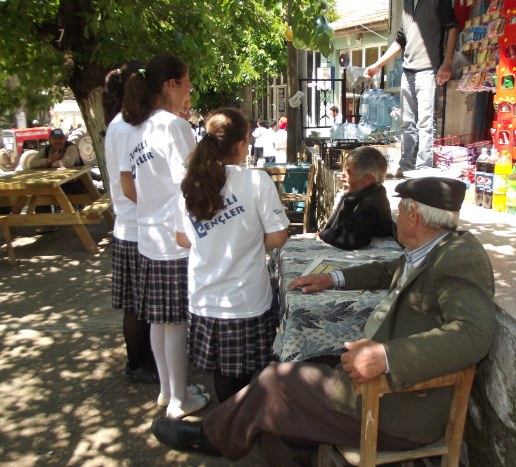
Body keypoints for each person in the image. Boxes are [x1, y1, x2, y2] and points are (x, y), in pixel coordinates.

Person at [151, 176, 496, 467]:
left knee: (276, 380)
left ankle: (211, 436)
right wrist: (334, 279)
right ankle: (224, 432)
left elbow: (474, 334)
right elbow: (390, 269)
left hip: (400, 407)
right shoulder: (430, 248)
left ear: (415, 215)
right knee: (278, 417)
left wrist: (387, 356)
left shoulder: (459, 257)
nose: (395, 215)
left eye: (400, 208)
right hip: (379, 390)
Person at [176, 108, 289, 405]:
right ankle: (238, 426)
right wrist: (247, 240)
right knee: (247, 370)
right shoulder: (256, 181)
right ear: (240, 144)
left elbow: (181, 238)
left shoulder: (188, 184)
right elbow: (278, 236)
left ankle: (230, 422)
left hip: (205, 296)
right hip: (245, 299)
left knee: (223, 371)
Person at [122, 53, 208, 419]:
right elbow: (192, 184)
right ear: (171, 84)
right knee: (175, 320)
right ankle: (178, 401)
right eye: (187, 84)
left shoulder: (136, 128)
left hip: (148, 236)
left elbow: (133, 185)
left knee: (160, 319)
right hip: (173, 239)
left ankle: (167, 391)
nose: (189, 91)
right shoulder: (174, 126)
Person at [102, 60, 159, 384]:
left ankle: (146, 358)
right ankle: (136, 364)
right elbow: (129, 186)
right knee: (137, 306)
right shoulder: (124, 128)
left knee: (143, 303)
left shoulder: (128, 125)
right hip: (134, 228)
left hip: (140, 226)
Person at [364, 0, 459, 176]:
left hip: (429, 69)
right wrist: (377, 65)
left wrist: (447, 62)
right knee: (407, 122)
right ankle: (407, 166)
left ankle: (424, 167)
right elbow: (400, 41)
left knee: (425, 121)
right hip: (408, 71)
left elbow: (453, 27)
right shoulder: (408, 6)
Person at [297, 147, 394, 250]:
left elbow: (352, 238)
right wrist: (319, 235)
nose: (342, 177)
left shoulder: (371, 204)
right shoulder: (356, 195)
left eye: (349, 173)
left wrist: (320, 235)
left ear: (368, 179)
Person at [28, 128, 90, 232]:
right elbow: (32, 163)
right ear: (50, 140)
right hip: (56, 183)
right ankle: (47, 223)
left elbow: (66, 163)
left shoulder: (71, 147)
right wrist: (50, 160)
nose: (58, 141)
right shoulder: (47, 150)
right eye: (55, 139)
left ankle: (73, 218)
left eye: (60, 138)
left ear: (64, 138)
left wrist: (48, 163)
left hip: (75, 183)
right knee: (40, 190)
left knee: (57, 190)